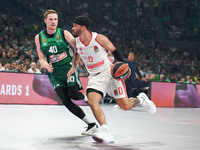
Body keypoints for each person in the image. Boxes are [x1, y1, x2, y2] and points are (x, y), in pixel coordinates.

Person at [68, 15, 156, 143]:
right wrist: (73, 66)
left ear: (83, 27)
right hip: (94, 77)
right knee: (92, 101)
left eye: (75, 26)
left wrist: (124, 66)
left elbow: (115, 51)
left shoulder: (99, 39)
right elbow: (77, 54)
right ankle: (105, 131)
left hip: (109, 72)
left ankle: (141, 99)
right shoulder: (76, 42)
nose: (72, 28)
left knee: (125, 106)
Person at [34, 9, 98, 135]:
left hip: (68, 68)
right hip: (54, 74)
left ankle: (89, 99)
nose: (53, 22)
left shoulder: (64, 33)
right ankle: (91, 124)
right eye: (51, 19)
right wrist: (45, 64)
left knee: (73, 94)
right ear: (45, 20)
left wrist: (74, 66)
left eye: (56, 19)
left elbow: (78, 48)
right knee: (65, 101)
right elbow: (41, 57)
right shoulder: (39, 37)